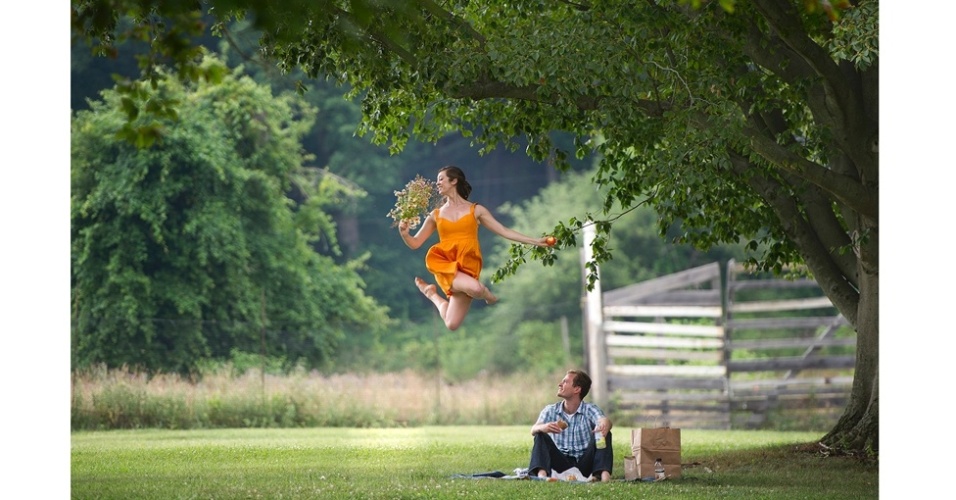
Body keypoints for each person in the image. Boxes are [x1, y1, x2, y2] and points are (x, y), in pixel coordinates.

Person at [398, 165, 551, 331]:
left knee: (452, 324)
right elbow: (415, 243)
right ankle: (488, 296)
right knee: (477, 289)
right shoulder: (435, 215)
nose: (437, 183)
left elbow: (504, 231)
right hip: (446, 265)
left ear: (454, 181)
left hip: (468, 265)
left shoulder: (476, 210)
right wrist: (405, 234)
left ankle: (431, 294)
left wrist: (535, 241)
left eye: (441, 179)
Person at [528, 369, 613, 482]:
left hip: (585, 464)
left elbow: (603, 420)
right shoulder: (550, 410)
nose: (560, 384)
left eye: (565, 382)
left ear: (577, 389)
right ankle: (542, 476)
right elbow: (534, 429)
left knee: (604, 433)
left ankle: (604, 477)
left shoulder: (590, 409)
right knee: (540, 434)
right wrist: (543, 427)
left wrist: (604, 426)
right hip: (560, 463)